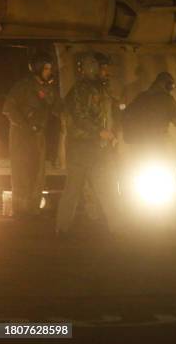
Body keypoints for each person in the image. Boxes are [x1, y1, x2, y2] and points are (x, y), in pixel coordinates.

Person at [56, 52, 122, 237]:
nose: (106, 72)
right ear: (91, 68)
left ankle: (118, 228)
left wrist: (110, 133)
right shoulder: (80, 90)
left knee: (106, 188)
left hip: (97, 149)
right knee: (74, 190)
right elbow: (79, 117)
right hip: (81, 150)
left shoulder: (101, 90)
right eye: (103, 68)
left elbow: (106, 116)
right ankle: (62, 228)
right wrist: (100, 132)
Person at [2, 51, 61, 220]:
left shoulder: (49, 89)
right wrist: (27, 125)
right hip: (21, 137)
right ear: (37, 69)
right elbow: (8, 109)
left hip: (38, 137)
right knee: (22, 172)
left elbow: (57, 108)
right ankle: (20, 211)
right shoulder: (23, 86)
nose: (49, 71)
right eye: (46, 68)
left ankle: (33, 209)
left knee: (38, 173)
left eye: (50, 68)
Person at [122, 71, 176, 150]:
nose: (172, 88)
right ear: (167, 85)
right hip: (157, 144)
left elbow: (127, 112)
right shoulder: (166, 99)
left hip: (139, 144)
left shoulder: (141, 96)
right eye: (172, 85)